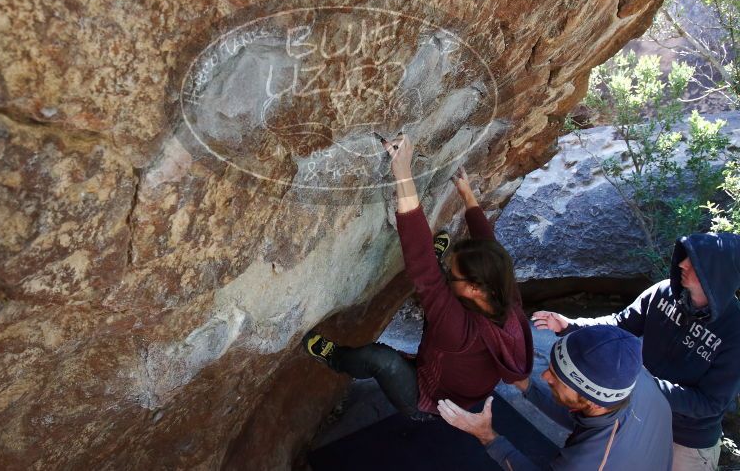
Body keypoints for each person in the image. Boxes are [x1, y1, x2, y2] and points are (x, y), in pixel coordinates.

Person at [301, 132, 533, 419]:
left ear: (474, 288)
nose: (449, 275)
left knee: (380, 358)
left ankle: (334, 358)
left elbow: (421, 264)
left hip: (428, 398)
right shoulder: (505, 296)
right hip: (450, 366)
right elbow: (490, 247)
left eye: (452, 274)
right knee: (437, 291)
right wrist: (467, 195)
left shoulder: (459, 332)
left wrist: (402, 171)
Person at [532, 232, 740, 470]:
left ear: (714, 273)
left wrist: (639, 384)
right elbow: (619, 325)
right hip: (639, 416)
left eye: (693, 263)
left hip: (686, 439)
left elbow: (709, 404)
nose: (681, 264)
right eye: (684, 257)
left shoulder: (735, 331)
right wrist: (571, 326)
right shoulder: (663, 293)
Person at [439, 325, 673, 470]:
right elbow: (580, 414)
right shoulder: (628, 376)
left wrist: (487, 436)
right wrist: (528, 386)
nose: (544, 375)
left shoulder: (586, 463)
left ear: (593, 400)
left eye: (557, 379)